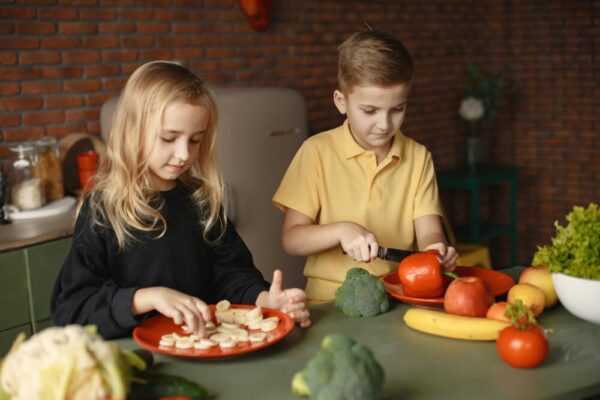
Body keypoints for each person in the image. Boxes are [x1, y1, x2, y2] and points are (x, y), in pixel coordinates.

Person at [51, 60, 311, 339]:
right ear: (133, 131)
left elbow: (232, 277)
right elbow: (72, 309)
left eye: (195, 140)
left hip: (202, 349)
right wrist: (148, 298)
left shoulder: (202, 202)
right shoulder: (103, 209)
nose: (184, 154)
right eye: (168, 138)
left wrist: (265, 301)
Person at [273, 30, 458, 303]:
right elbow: (291, 239)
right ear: (341, 102)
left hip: (396, 298)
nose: (385, 124)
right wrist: (340, 230)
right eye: (370, 111)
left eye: (397, 109)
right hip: (327, 303)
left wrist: (437, 251)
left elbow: (429, 231)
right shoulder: (316, 152)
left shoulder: (419, 158)